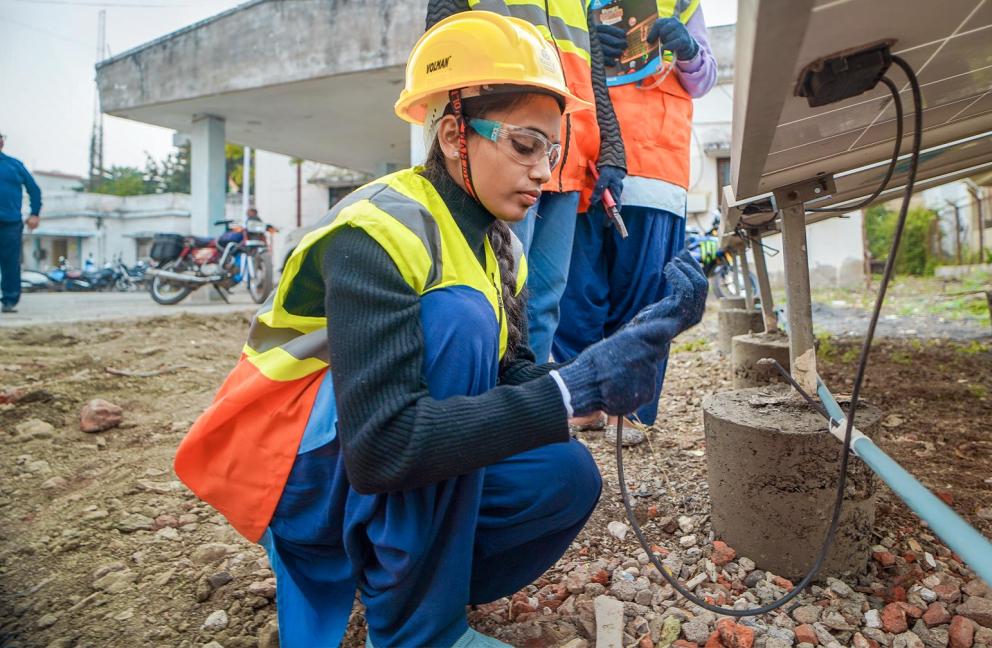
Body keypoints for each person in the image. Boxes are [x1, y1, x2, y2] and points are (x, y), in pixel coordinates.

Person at [173, 12, 707, 648]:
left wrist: (623, 347)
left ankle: (415, 579)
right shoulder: (378, 227)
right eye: (525, 144)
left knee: (563, 477)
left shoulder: (497, 245)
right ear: (456, 134)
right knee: (459, 320)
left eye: (554, 151)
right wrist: (573, 390)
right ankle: (418, 631)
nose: (544, 172)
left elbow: (516, 377)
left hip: (362, 460)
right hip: (294, 471)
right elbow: (385, 448)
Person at [425, 0, 627, 363]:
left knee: (546, 299)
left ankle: (530, 403)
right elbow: (443, 49)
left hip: (565, 156)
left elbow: (596, 76)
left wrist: (611, 148)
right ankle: (493, 404)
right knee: (494, 295)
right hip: (498, 153)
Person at [555, 0, 716, 435]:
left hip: (656, 165)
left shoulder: (682, 3)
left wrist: (687, 51)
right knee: (576, 293)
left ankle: (631, 411)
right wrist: (588, 42)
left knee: (644, 297)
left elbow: (705, 78)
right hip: (581, 156)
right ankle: (583, 402)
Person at [0, 132, 42, 314]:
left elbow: (34, 190)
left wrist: (34, 213)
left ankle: (9, 299)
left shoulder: (14, 165)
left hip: (10, 223)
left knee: (10, 263)